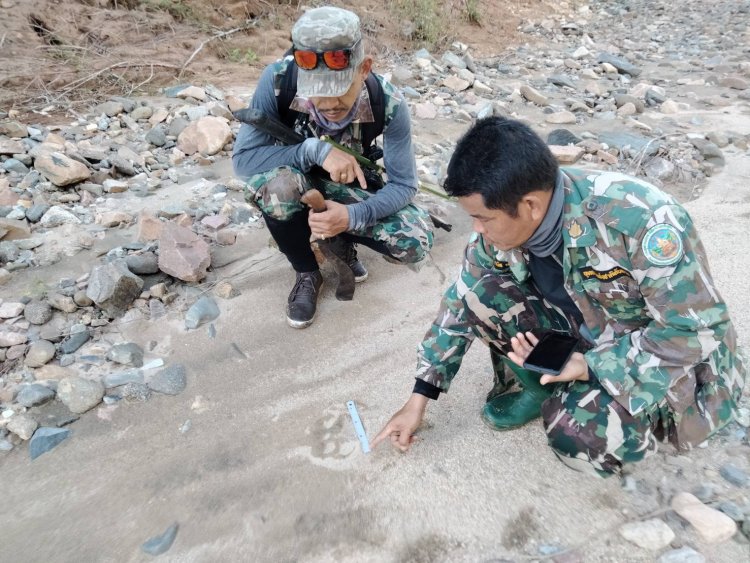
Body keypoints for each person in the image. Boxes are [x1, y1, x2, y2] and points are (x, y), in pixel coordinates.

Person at [373, 116, 747, 477]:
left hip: (664, 360)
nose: (476, 228)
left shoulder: (642, 221)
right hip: (589, 330)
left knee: (577, 437)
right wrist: (420, 396)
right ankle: (542, 388)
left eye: (483, 218)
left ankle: (593, 399)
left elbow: (695, 330)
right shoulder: (505, 223)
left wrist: (591, 367)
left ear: (531, 205)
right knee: (481, 294)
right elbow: (461, 298)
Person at [233, 6, 433, 329]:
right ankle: (307, 271)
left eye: (338, 91)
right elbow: (243, 162)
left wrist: (351, 216)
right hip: (297, 185)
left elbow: (405, 186)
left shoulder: (389, 102)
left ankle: (339, 238)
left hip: (350, 190)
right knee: (276, 189)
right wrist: (315, 149)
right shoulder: (278, 81)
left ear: (364, 69)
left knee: (416, 239)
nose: (327, 104)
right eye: (317, 93)